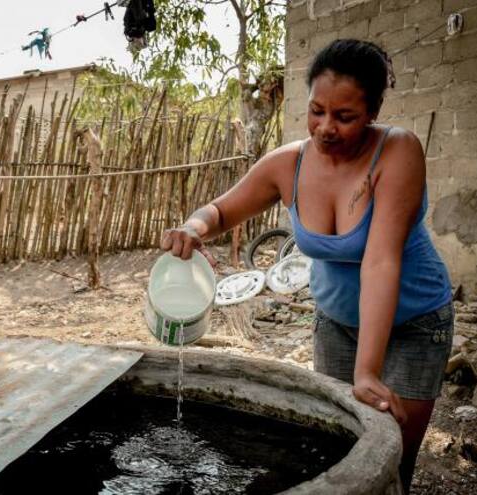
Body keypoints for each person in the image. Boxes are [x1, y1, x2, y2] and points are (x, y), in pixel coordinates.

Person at [160, 38, 453, 493]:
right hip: (335, 324)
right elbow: (219, 211)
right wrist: (192, 228)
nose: (325, 128)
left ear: (373, 110)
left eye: (344, 116)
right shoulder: (289, 164)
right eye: (317, 111)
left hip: (415, 324)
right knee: (331, 449)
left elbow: (379, 261)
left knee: (392, 460)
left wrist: (366, 372)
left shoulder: (397, 153)